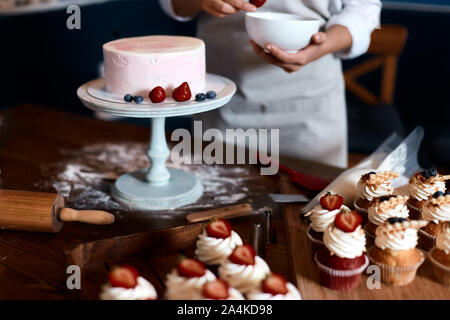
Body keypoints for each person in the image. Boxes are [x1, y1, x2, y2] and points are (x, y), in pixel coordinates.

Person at [159, 0, 382, 168]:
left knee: (311, 215)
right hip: (222, 101)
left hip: (310, 110)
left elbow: (363, 10)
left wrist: (323, 45)